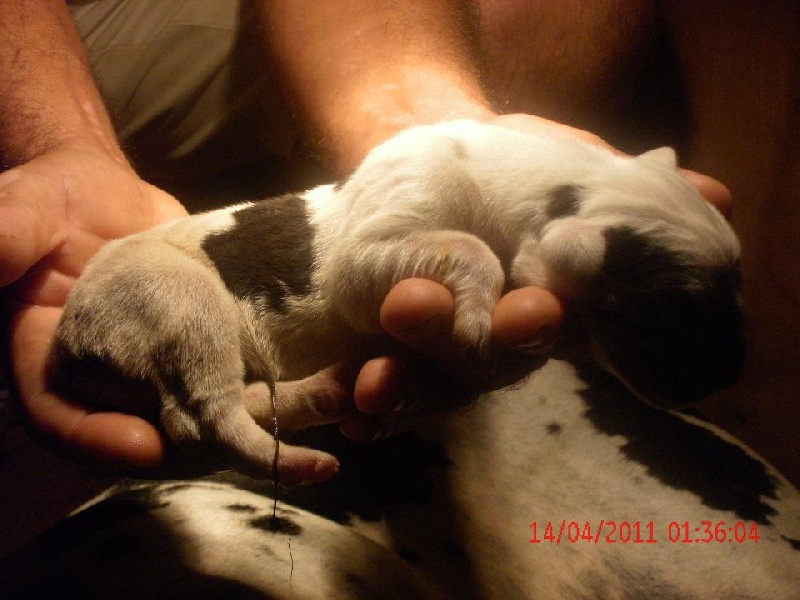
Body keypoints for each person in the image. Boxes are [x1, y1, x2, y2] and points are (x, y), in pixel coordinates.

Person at [3, 1, 789, 483]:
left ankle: (256, 406)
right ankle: (227, 425)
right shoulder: (533, 237)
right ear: (580, 247)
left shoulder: (519, 202)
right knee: (185, 295)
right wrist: (63, 144)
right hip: (151, 280)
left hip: (245, 299)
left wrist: (411, 105)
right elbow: (357, 277)